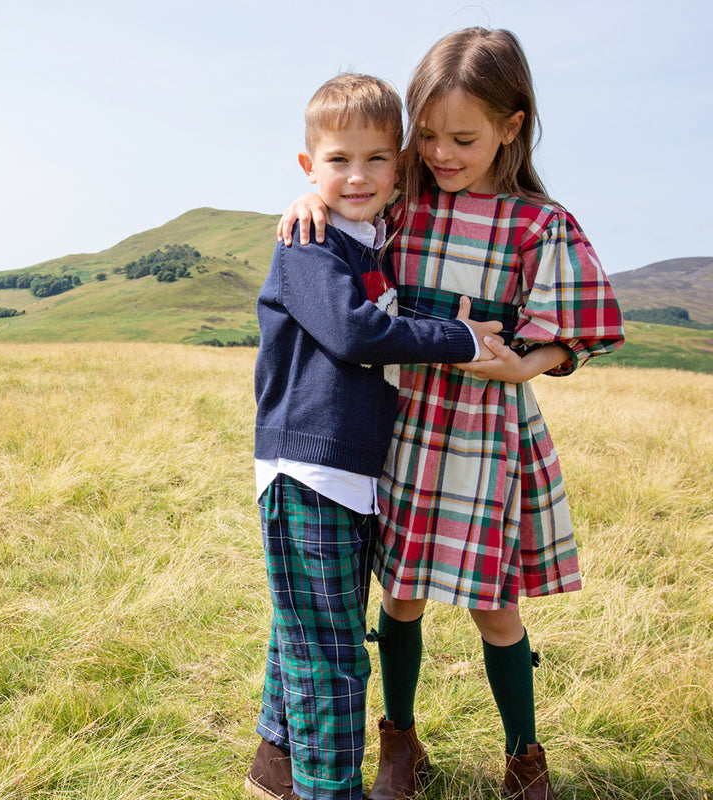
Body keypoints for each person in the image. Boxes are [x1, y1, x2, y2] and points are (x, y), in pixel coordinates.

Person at [276, 29, 625, 800]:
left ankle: (524, 757)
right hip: (402, 430)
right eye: (426, 137)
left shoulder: (540, 224)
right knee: (399, 595)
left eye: (462, 138)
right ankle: (398, 744)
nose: (439, 154)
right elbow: (345, 190)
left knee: (495, 611)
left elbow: (581, 335)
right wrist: (309, 196)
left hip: (487, 437)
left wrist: (525, 362)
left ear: (513, 125)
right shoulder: (403, 205)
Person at [246, 72, 508, 800]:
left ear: (399, 164)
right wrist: (458, 339)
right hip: (308, 468)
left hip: (351, 472)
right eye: (337, 161)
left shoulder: (369, 239)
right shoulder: (310, 241)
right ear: (308, 168)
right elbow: (356, 334)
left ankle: (275, 766)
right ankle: (329, 789)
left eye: (375, 159)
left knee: (306, 624)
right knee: (332, 651)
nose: (356, 175)